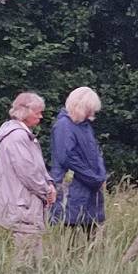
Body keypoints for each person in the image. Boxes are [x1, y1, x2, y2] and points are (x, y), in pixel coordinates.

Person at [0, 91, 55, 265]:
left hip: (24, 203)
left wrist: (50, 183)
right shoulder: (17, 137)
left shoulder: (23, 135)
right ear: (24, 111)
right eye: (37, 112)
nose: (41, 116)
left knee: (30, 250)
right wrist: (46, 190)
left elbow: (36, 167)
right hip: (22, 204)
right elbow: (28, 172)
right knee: (26, 254)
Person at [49, 86, 107, 237]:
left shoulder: (86, 126)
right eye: (90, 108)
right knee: (70, 240)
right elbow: (67, 158)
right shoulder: (63, 125)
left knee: (93, 238)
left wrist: (101, 175)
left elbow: (95, 153)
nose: (93, 113)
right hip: (72, 191)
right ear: (81, 106)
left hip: (91, 190)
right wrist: (94, 178)